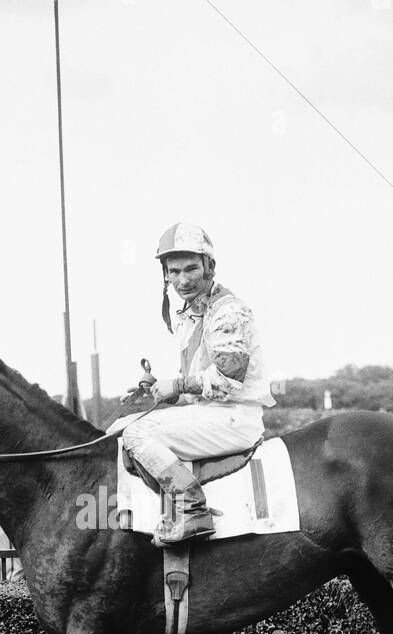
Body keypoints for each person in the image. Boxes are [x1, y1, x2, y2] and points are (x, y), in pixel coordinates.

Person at [109, 222, 275, 545]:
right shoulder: (188, 317)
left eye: (190, 269)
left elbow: (227, 380)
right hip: (212, 414)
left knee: (136, 433)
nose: (182, 280)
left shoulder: (228, 310)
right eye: (174, 272)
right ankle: (132, 522)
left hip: (236, 418)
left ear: (209, 266)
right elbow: (194, 394)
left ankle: (193, 509)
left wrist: (179, 384)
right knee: (122, 426)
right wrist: (163, 391)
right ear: (165, 275)